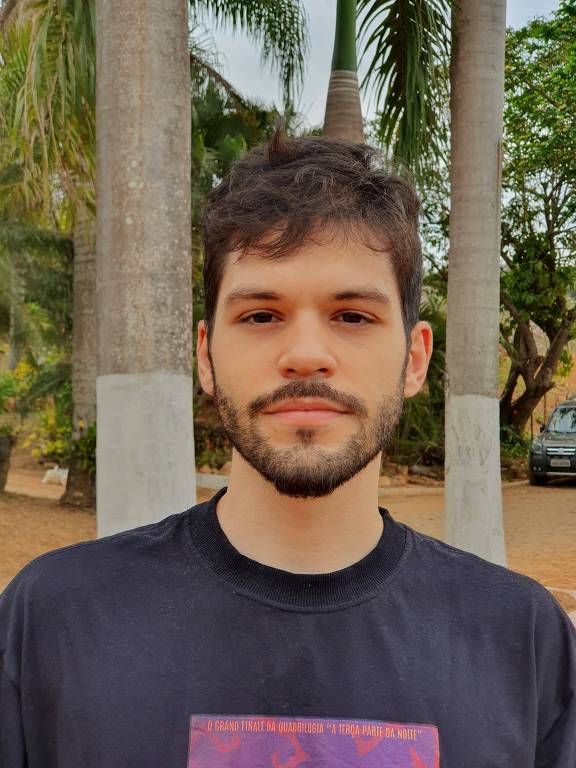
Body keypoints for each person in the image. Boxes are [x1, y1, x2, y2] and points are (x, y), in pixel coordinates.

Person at [1, 133, 575, 768]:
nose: (305, 353)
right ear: (205, 355)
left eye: (353, 316)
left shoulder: (523, 640)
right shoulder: (51, 619)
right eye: (260, 315)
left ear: (414, 360)